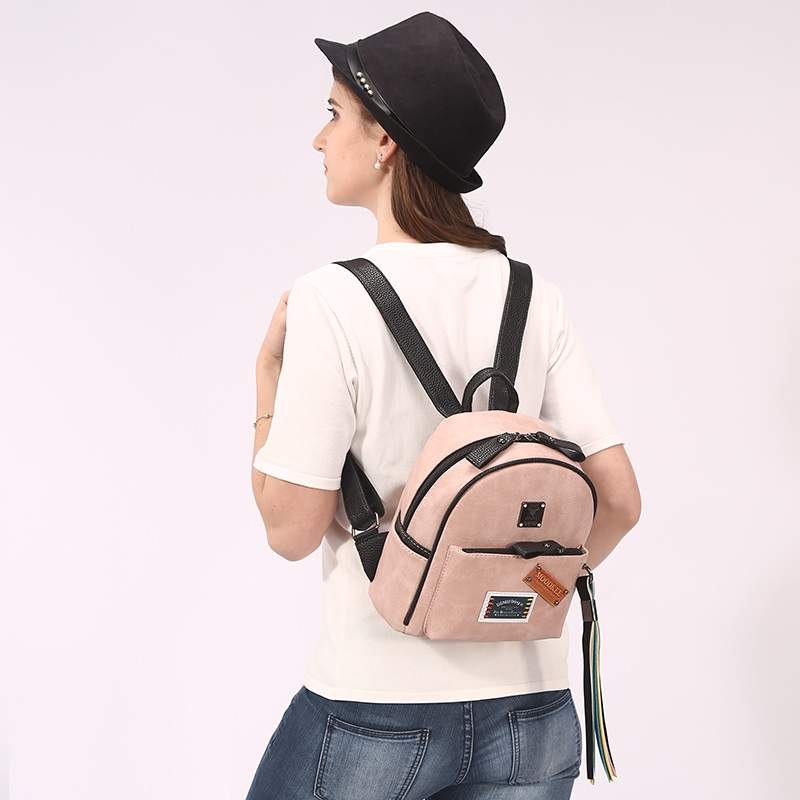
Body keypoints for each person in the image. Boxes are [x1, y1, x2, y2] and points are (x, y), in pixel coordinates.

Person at [247, 11, 641, 800]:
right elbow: (621, 504)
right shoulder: (533, 296)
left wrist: (268, 376)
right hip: (532, 714)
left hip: (374, 710)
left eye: (333, 114)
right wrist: (531, 593)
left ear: (385, 141)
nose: (319, 139)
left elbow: (290, 531)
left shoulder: (331, 298)